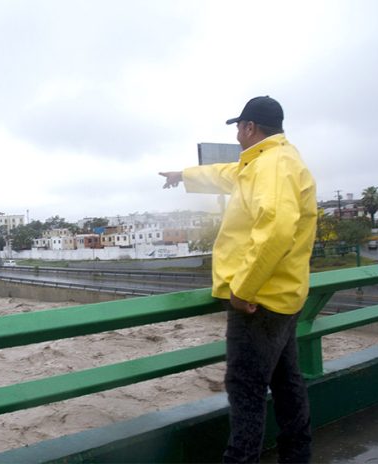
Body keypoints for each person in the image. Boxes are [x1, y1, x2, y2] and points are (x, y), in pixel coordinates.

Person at [160, 96, 316, 463]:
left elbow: (276, 230)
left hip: (258, 301)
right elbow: (226, 174)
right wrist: (182, 175)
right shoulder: (275, 160)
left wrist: (243, 288)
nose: (236, 133)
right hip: (285, 296)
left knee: (245, 392)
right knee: (287, 384)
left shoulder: (272, 167)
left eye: (238, 127)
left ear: (249, 127)